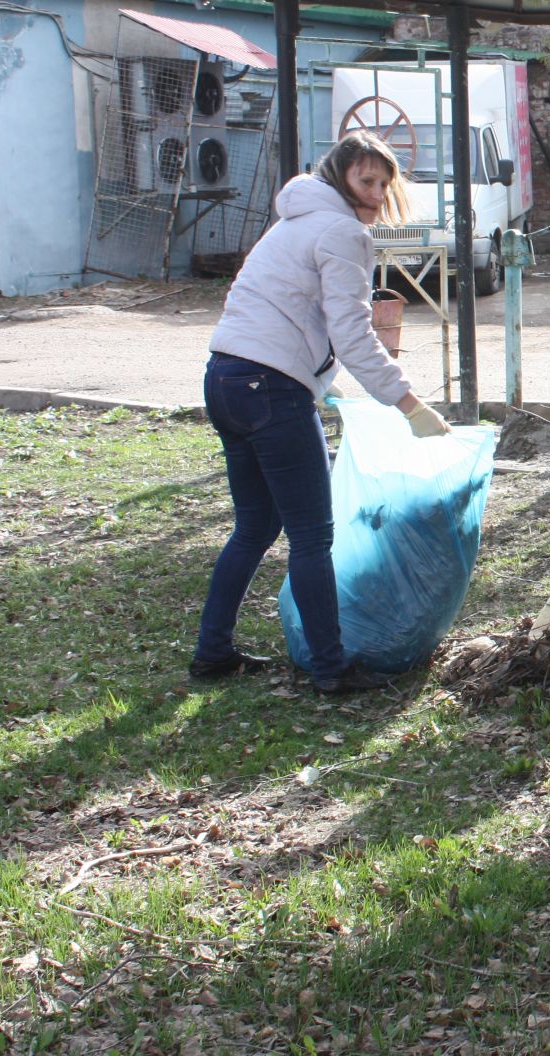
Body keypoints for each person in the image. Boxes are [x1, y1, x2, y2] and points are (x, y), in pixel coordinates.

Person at [193, 131, 451, 694]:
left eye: (386, 183)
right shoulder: (340, 231)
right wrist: (409, 404)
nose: (378, 193)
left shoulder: (294, 220)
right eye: (367, 180)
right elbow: (354, 335)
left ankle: (212, 650)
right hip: (270, 388)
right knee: (313, 536)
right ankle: (332, 670)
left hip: (225, 378)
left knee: (257, 525)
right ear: (339, 176)